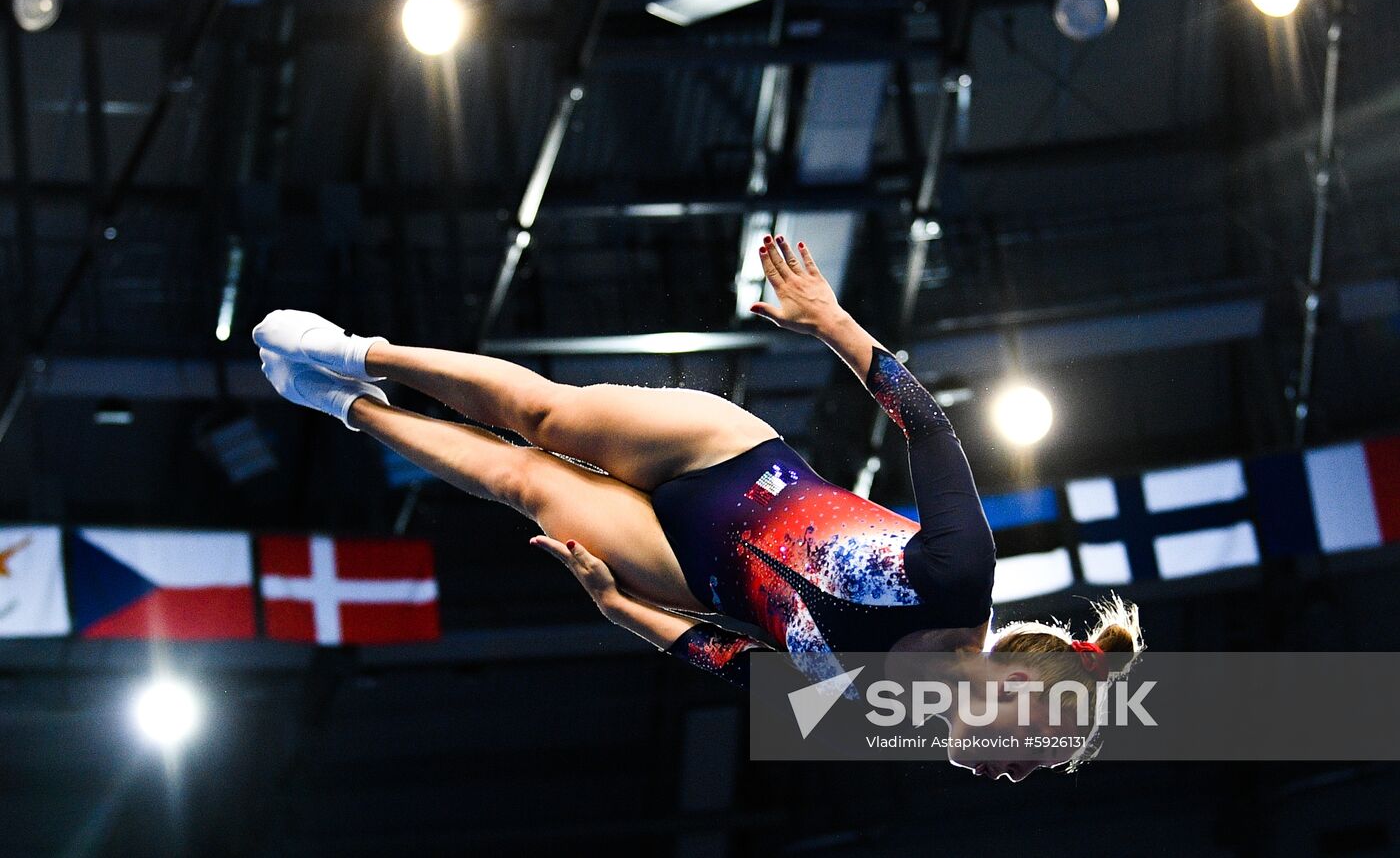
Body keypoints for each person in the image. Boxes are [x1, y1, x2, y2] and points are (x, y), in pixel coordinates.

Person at [253, 234, 1143, 781]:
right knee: (542, 416)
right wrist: (830, 319)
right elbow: (928, 427)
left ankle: (341, 405)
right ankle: (358, 352)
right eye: (1033, 756)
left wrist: (619, 608)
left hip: (690, 570)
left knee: (523, 482)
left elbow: (732, 662)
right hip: (732, 462)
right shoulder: (958, 578)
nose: (1015, 775)